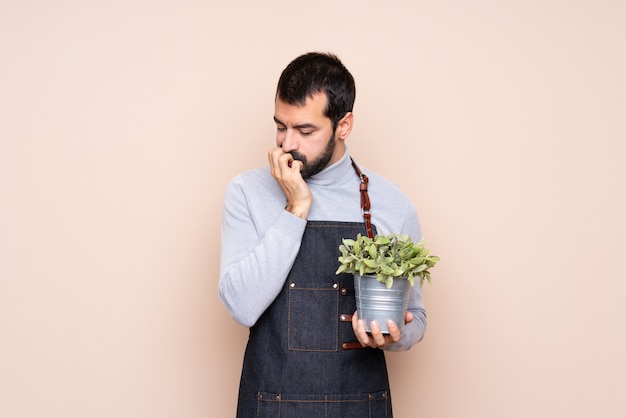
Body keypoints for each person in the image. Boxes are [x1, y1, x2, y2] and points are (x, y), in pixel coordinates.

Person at [219, 52, 427, 417]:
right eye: (280, 126)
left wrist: (396, 337)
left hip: (360, 406)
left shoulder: (391, 204)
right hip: (272, 406)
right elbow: (242, 307)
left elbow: (415, 317)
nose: (287, 144)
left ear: (343, 125)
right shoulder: (246, 192)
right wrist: (296, 208)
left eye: (305, 130)